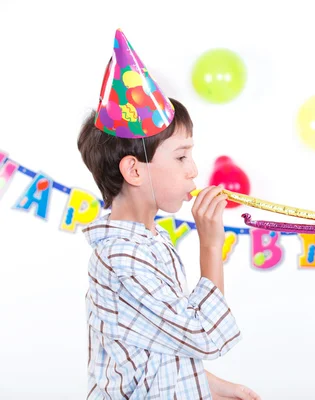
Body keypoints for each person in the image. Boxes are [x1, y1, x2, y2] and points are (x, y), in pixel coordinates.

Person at [79, 28, 260, 400]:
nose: (193, 170)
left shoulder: (149, 241)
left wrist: (226, 389)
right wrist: (211, 246)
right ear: (134, 171)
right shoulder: (121, 257)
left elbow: (159, 350)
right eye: (181, 156)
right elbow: (204, 336)